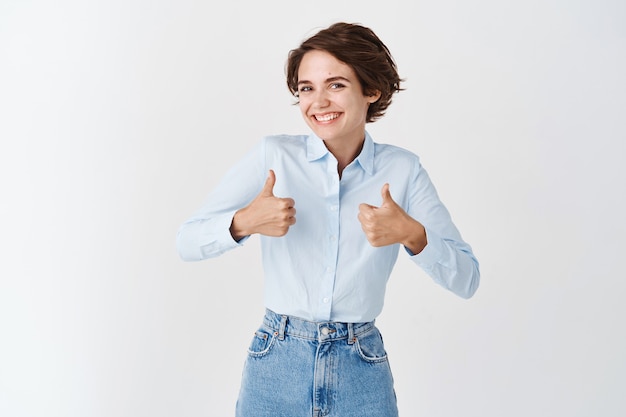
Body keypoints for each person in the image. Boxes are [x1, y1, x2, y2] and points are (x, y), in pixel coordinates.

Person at [176, 22, 479, 417]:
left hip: (361, 366)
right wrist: (244, 222)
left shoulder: (403, 170)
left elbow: (467, 279)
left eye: (335, 85)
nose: (318, 101)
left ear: (371, 90)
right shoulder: (273, 157)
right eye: (306, 88)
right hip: (276, 360)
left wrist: (412, 234)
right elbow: (186, 242)